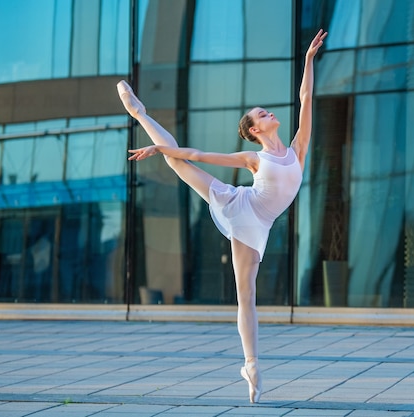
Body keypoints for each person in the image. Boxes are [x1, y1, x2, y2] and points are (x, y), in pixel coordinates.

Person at [118, 29, 327, 403]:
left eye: (265, 109)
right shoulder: (253, 158)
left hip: (260, 223)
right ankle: (140, 113)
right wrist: (156, 146)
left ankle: (249, 366)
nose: (267, 112)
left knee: (247, 295)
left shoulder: (298, 148)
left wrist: (309, 60)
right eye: (260, 114)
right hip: (240, 207)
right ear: (253, 130)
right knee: (176, 158)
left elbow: (306, 97)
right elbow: (197, 155)